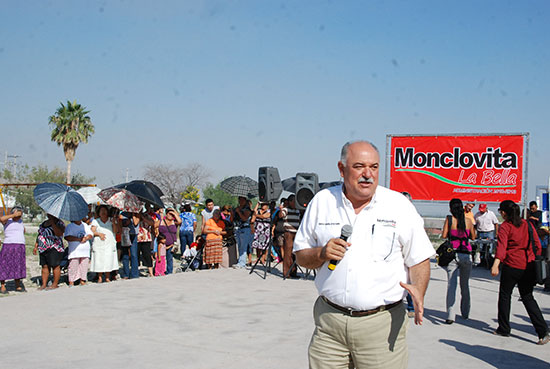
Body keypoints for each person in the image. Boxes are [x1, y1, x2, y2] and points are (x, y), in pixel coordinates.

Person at [294, 140, 434, 369]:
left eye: (374, 167)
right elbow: (300, 256)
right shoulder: (322, 201)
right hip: (329, 325)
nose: (368, 174)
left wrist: (419, 288)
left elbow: (418, 259)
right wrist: (321, 253)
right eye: (359, 166)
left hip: (382, 326)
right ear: (341, 169)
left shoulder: (398, 205)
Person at [491, 200, 549, 345]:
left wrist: (496, 264)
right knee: (528, 297)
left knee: (505, 295)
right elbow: (537, 244)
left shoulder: (505, 227)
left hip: (512, 265)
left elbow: (502, 247)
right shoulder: (527, 224)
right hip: (528, 265)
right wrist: (532, 257)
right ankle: (543, 331)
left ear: (504, 212)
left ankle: (504, 328)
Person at [441, 198, 476, 324]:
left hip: (453, 255)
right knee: (465, 285)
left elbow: (444, 235)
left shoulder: (450, 220)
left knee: (452, 286)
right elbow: (473, 236)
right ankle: (465, 312)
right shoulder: (468, 221)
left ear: (451, 208)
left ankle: (450, 315)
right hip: (466, 254)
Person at [33, 214, 65, 290]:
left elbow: (59, 233)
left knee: (55, 266)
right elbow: (39, 234)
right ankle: (44, 284)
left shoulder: (59, 223)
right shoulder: (44, 223)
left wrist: (53, 223)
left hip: (55, 247)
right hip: (43, 247)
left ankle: (55, 284)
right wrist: (36, 245)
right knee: (44, 266)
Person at [90, 205, 120, 283]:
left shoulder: (111, 220)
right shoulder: (96, 221)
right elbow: (92, 231)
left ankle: (107, 277)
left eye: (105, 210)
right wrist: (99, 234)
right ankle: (99, 277)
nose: (103, 212)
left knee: (109, 259)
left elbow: (116, 231)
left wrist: (114, 222)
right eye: (101, 211)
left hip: (109, 243)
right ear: (99, 213)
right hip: (99, 243)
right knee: (99, 260)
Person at [0, 206, 27, 293]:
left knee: (18, 265)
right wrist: (12, 215)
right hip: (9, 244)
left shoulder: (21, 221)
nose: (19, 215)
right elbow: (1, 219)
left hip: (19, 245)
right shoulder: (8, 220)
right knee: (4, 264)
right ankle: (3, 286)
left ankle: (18, 285)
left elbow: (23, 231)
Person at [64, 218, 93, 286]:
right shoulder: (70, 226)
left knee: (84, 265)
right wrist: (78, 239)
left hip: (85, 250)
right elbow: (67, 237)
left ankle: (82, 280)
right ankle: (72, 280)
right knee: (73, 265)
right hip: (75, 250)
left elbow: (90, 234)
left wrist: (86, 238)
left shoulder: (85, 225)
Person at [280, 194, 301, 278]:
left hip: (296, 233)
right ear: (289, 202)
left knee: (295, 253)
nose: (295, 203)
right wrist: (281, 209)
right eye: (294, 202)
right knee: (288, 253)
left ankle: (293, 272)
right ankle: (286, 272)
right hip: (288, 233)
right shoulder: (286, 209)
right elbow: (281, 215)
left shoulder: (297, 210)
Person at [158, 208, 181, 274]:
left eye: (172, 215)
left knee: (169, 258)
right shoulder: (162, 221)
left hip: (171, 243)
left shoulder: (174, 222)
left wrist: (173, 212)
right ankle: (159, 270)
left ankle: (169, 271)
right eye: (169, 214)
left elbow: (179, 221)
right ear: (166, 214)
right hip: (162, 243)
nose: (171, 215)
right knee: (160, 257)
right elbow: (155, 226)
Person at [233, 196, 252, 268]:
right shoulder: (237, 208)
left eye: (242, 200)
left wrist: (239, 212)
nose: (241, 201)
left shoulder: (247, 209)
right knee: (240, 246)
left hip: (245, 228)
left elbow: (245, 218)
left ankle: (242, 263)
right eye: (239, 199)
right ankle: (240, 261)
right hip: (238, 228)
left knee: (243, 246)